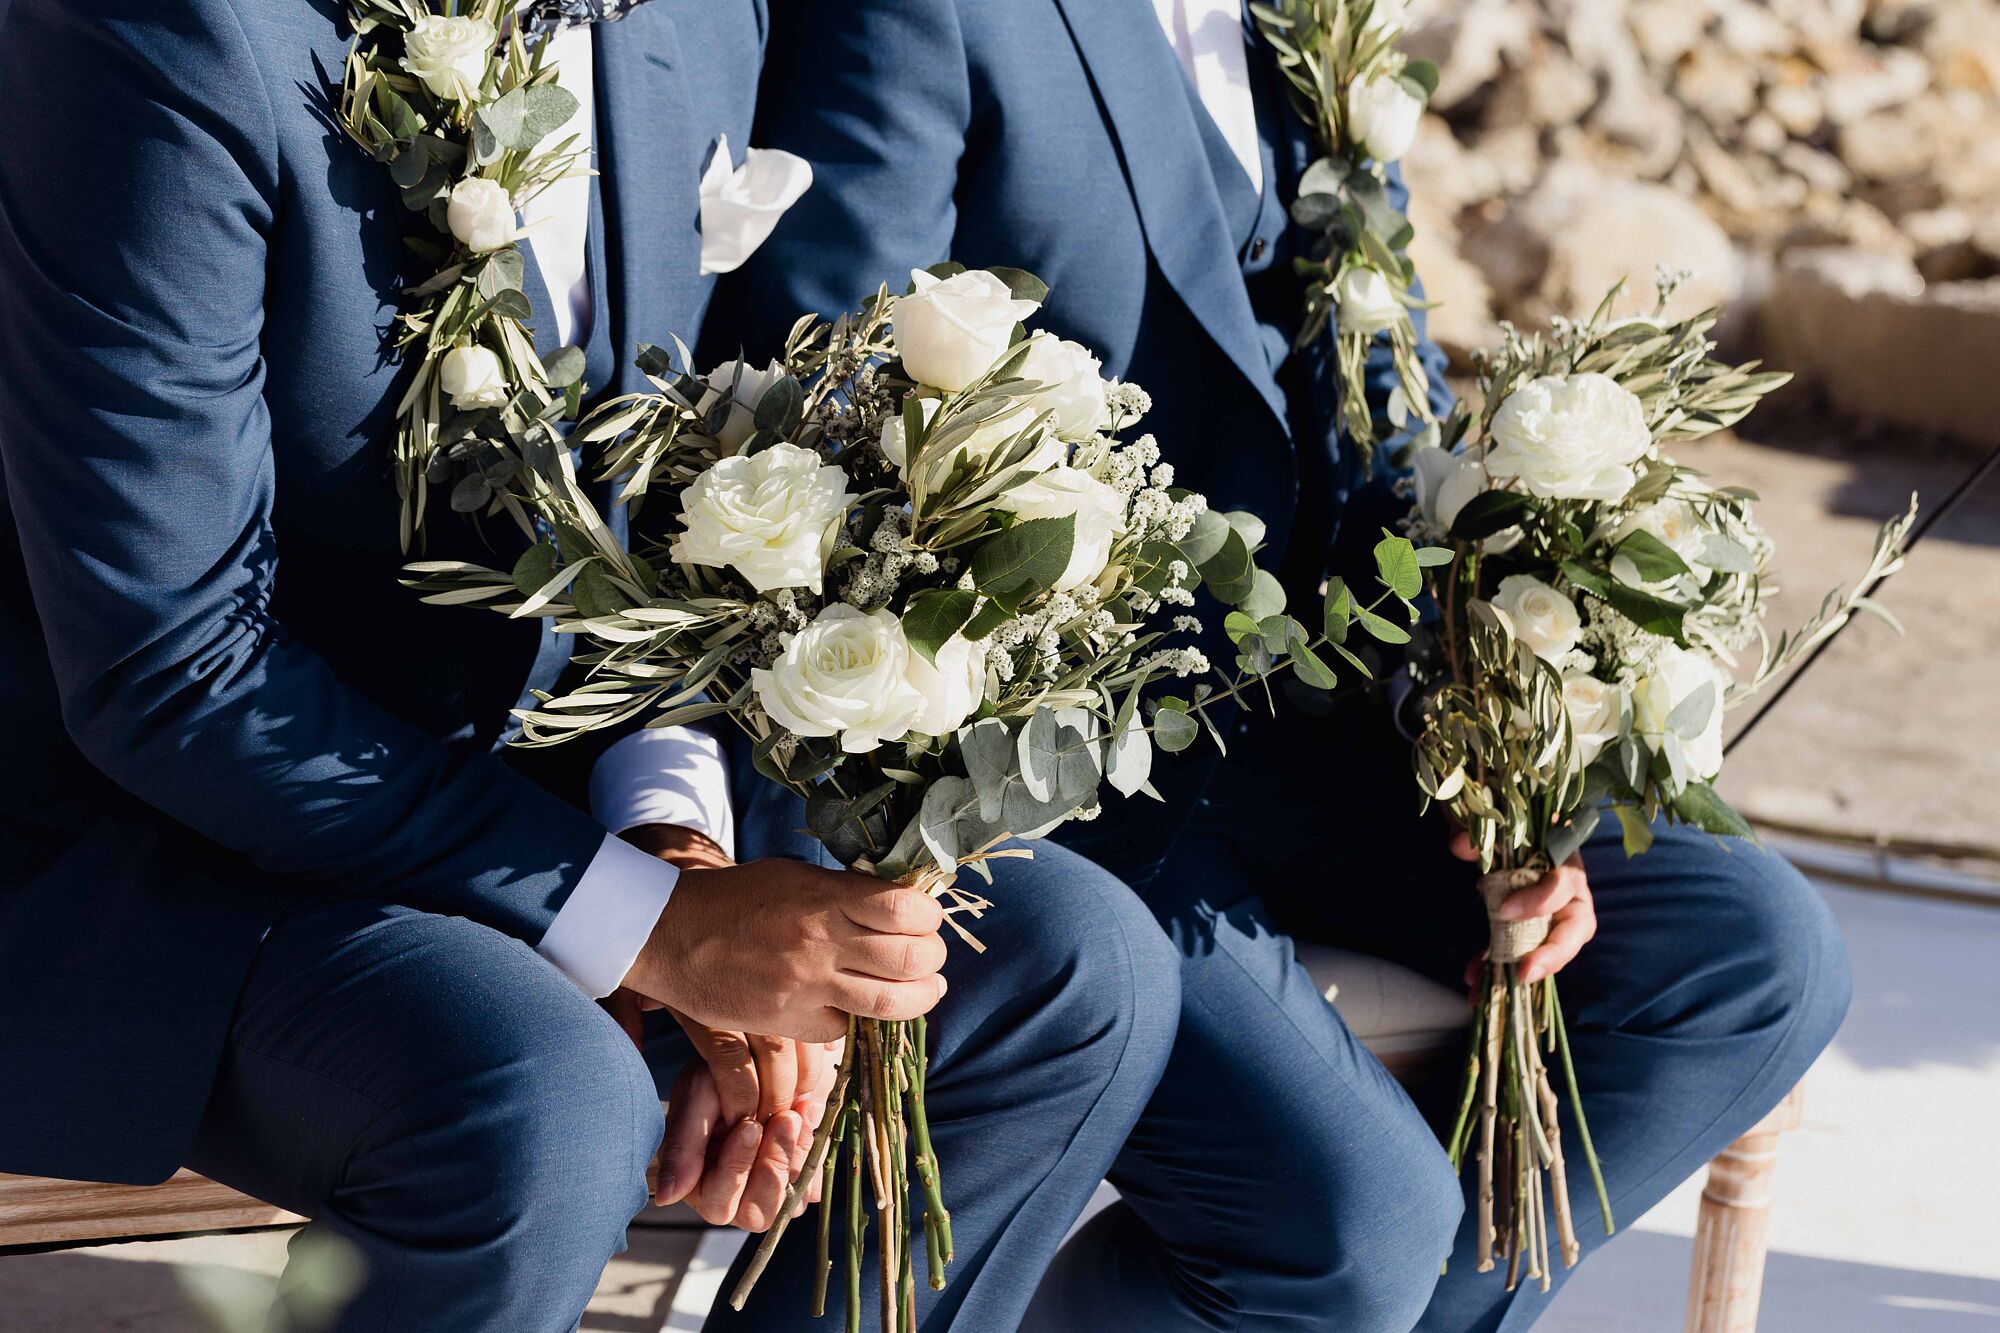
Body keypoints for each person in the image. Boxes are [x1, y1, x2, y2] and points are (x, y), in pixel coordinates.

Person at [0, 2, 1175, 1329]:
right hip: (137, 828)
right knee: (543, 1099)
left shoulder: (694, 14)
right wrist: (650, 926)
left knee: (1064, 966)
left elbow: (657, 520)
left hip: (521, 771)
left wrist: (672, 830)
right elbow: (169, 660)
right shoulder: (166, 34)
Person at [709, 1, 1856, 1329]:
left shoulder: (1308, 21)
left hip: (1326, 724)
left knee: (1752, 952)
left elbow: (1389, 394)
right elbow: (824, 397)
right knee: (1356, 1218)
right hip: (1056, 769)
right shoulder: (936, 15)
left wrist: (1491, 739)